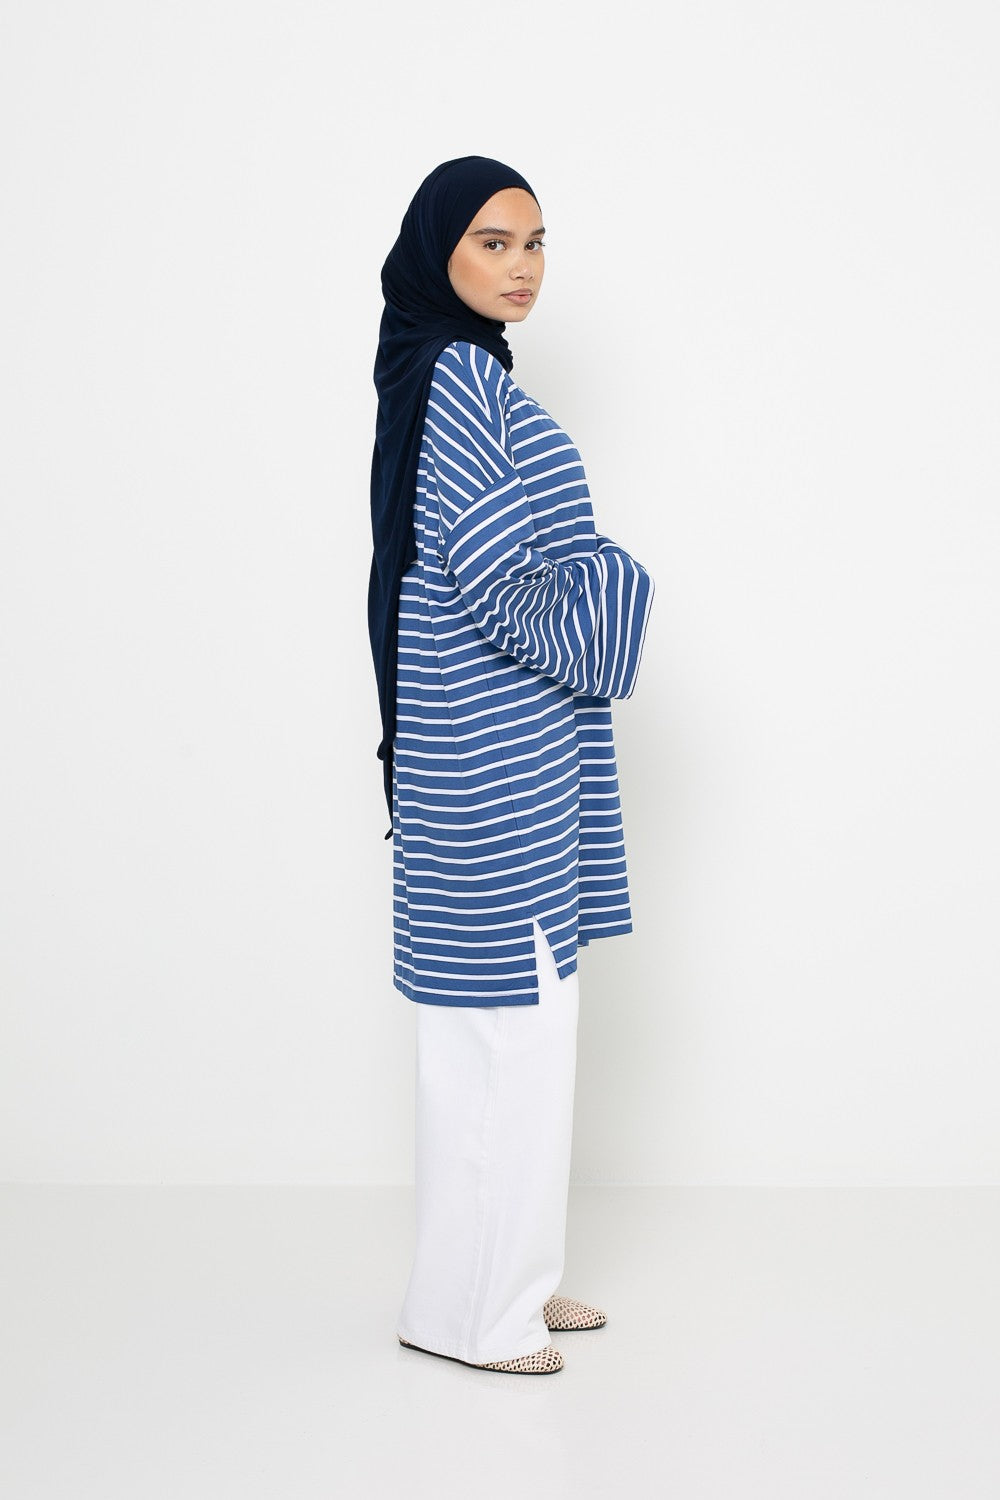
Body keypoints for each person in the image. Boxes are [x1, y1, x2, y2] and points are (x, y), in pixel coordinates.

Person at [367, 156, 654, 1374]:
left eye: (535, 244)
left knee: (514, 1028)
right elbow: (497, 582)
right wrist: (615, 581)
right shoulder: (458, 381)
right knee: (503, 1030)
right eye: (493, 242)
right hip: (492, 753)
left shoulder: (458, 371)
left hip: (502, 740)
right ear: (438, 252)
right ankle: (472, 1318)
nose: (522, 267)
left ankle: (506, 1282)